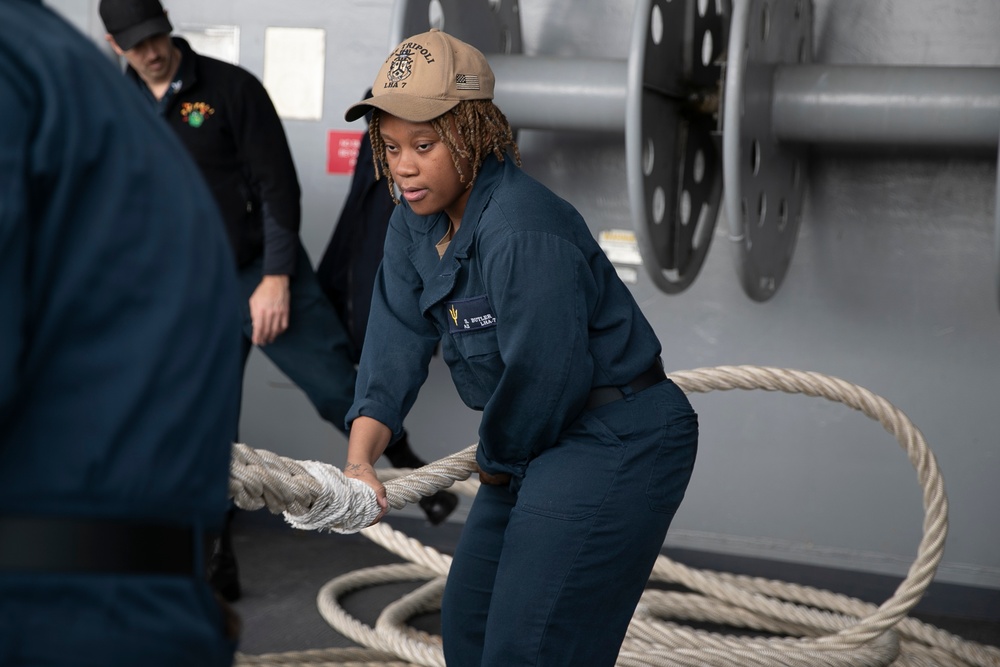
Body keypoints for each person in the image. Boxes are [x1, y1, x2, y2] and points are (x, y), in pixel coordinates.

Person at [342, 29, 700, 666]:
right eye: (391, 146)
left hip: (613, 436)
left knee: (529, 650)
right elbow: (391, 346)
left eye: (423, 145)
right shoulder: (411, 222)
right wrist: (361, 461)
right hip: (527, 442)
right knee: (470, 630)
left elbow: (547, 373)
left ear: (473, 133)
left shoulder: (521, 225)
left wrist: (500, 459)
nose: (403, 165)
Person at [97, 0, 458, 599]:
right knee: (205, 427)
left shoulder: (232, 89)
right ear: (115, 45)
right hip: (183, 292)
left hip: (256, 270)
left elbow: (275, 185)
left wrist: (275, 277)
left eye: (157, 35)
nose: (152, 50)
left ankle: (408, 465)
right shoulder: (112, 106)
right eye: (137, 43)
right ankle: (215, 560)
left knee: (337, 387)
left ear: (167, 26)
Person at [0, 0, 242, 664]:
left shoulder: (20, 75)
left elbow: (276, 186)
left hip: (44, 610)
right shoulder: (87, 88)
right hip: (130, 598)